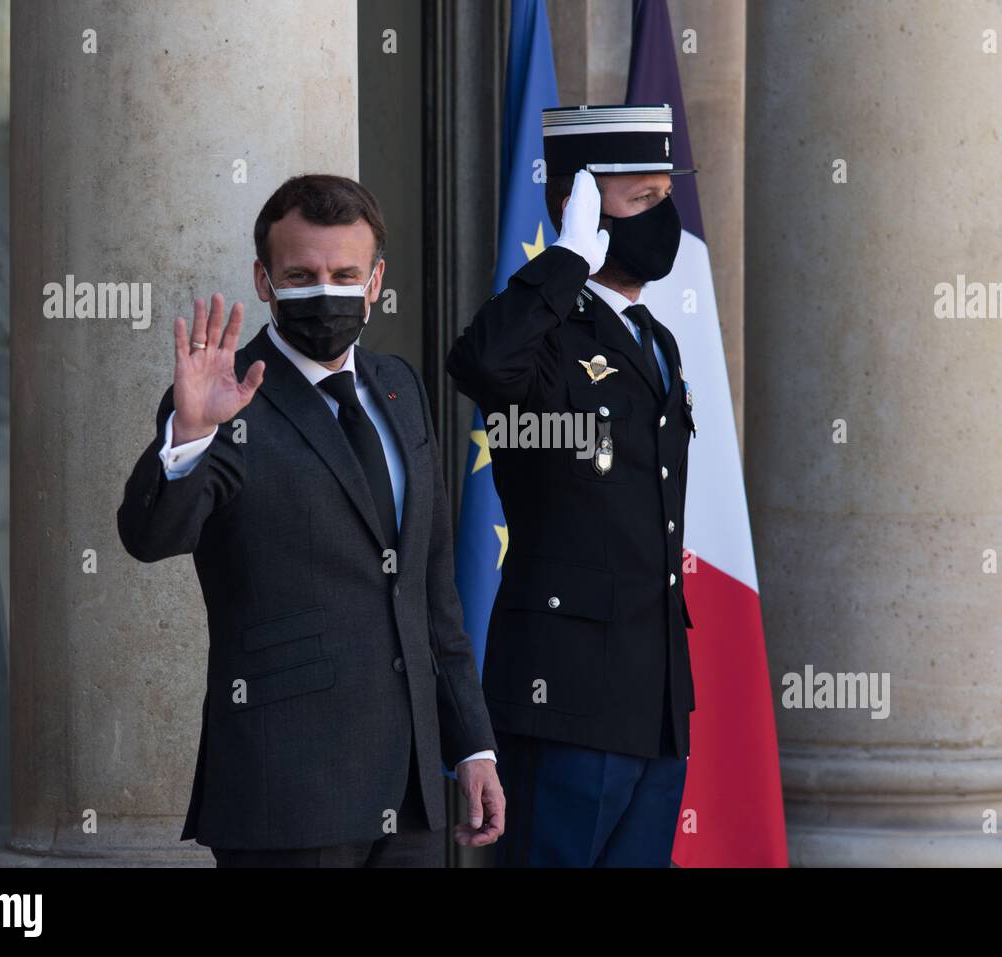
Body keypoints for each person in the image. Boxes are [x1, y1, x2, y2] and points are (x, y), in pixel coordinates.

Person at [117, 174, 503, 866]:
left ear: (376, 280)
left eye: (344, 273)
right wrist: (191, 434)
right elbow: (151, 536)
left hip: (411, 794)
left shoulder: (400, 387)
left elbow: (431, 592)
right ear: (264, 281)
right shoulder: (226, 397)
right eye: (301, 274)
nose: (324, 290)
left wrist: (472, 744)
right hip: (285, 795)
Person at [446, 104, 696, 867]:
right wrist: (566, 262)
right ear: (579, 205)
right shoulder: (546, 331)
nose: (665, 218)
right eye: (642, 200)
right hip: (566, 698)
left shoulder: (656, 340)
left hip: (654, 700)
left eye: (666, 195)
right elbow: (481, 364)